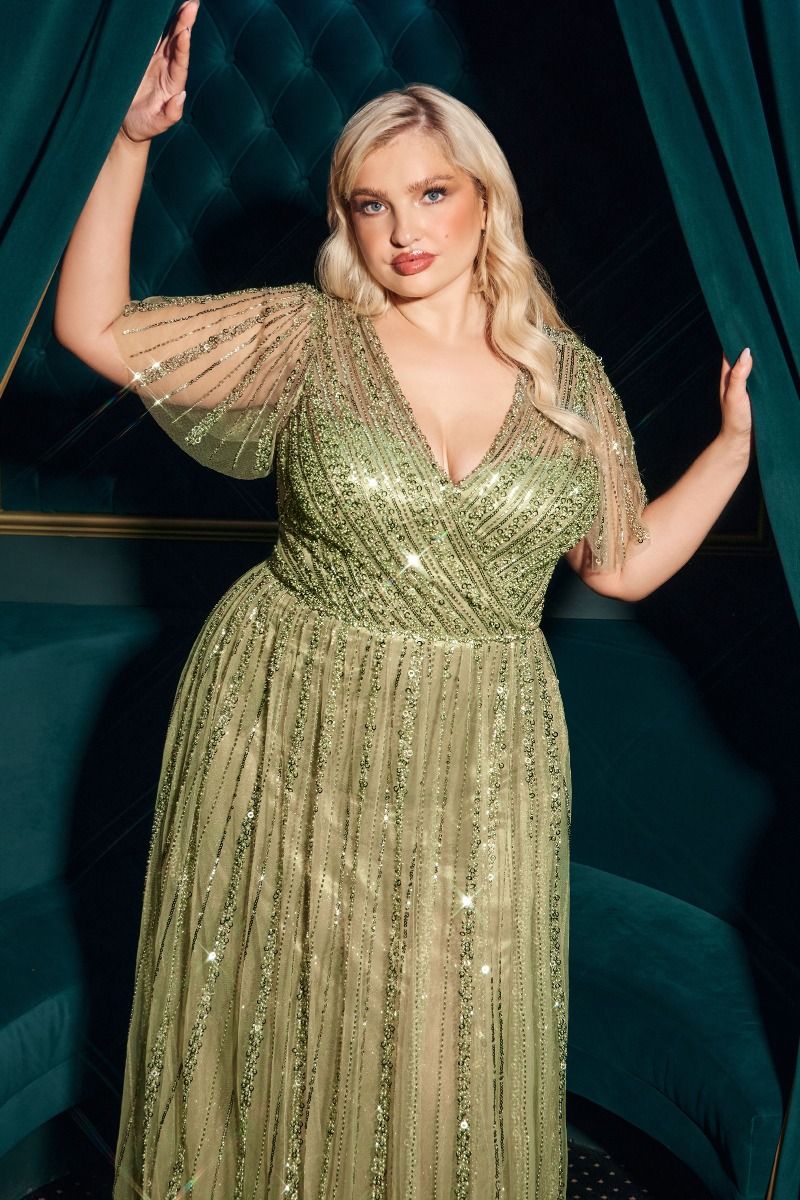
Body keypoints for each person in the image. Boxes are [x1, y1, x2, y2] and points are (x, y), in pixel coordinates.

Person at [53, 1, 754, 1195]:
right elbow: (93, 327)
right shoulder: (306, 338)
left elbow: (621, 562)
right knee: (276, 1019)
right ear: (345, 222)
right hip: (288, 716)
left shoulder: (567, 379)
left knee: (442, 1042)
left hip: (479, 745)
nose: (402, 229)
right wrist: (129, 144)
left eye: (430, 193)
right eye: (369, 204)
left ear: (485, 201)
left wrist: (733, 451)